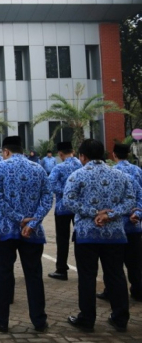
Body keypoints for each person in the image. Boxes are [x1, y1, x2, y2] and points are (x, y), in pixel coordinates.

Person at [63, 139, 135, 333]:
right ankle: (120, 319)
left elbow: (67, 201)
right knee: (116, 275)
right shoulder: (121, 175)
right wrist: (109, 214)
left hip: (87, 235)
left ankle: (87, 319)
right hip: (115, 235)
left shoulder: (77, 175)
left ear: (83, 156)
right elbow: (131, 200)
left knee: (87, 277)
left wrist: (93, 212)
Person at [0, 136, 52, 334]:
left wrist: (18, 218)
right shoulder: (38, 168)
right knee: (33, 275)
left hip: (6, 230)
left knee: (4, 274)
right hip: (32, 231)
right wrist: (33, 221)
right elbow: (48, 197)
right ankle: (39, 321)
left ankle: (1, 320)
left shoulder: (0, 167)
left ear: (5, 151)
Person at [96, 143, 142, 301]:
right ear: (129, 154)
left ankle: (111, 291)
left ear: (114, 155)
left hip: (114, 225)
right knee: (135, 262)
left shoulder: (112, 173)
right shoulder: (137, 171)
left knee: (113, 265)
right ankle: (138, 290)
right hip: (134, 224)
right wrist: (137, 213)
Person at [47, 141, 82, 281]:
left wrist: (65, 193)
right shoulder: (81, 165)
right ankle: (83, 267)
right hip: (80, 208)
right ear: (73, 151)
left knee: (62, 239)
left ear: (60, 153)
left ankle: (61, 269)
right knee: (80, 238)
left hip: (63, 207)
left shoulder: (59, 167)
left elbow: (50, 184)